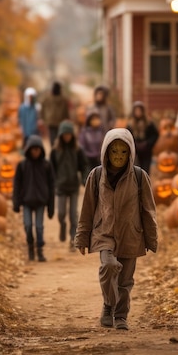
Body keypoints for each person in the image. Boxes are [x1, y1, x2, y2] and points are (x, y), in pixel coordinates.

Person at [74, 128, 158, 331]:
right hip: (105, 232)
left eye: (123, 152)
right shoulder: (96, 176)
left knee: (125, 281)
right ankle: (108, 304)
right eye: (114, 151)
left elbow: (148, 210)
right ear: (105, 153)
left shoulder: (139, 176)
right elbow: (87, 209)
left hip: (131, 234)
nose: (118, 156)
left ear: (130, 154)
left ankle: (120, 316)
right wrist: (81, 237)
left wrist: (151, 238)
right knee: (109, 266)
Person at [13, 135, 55, 262]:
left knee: (39, 226)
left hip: (41, 201)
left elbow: (52, 186)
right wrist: (16, 202)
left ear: (41, 150)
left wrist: (51, 206)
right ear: (29, 150)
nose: (35, 152)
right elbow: (17, 184)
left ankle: (40, 250)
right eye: (33, 149)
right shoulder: (22, 165)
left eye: (38, 149)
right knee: (27, 225)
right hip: (26, 200)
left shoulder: (46, 165)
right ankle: (30, 245)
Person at [49, 120, 87, 251]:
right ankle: (62, 225)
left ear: (72, 135)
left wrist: (84, 179)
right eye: (64, 135)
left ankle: (72, 239)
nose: (66, 137)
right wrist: (52, 182)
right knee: (61, 213)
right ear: (60, 135)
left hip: (73, 186)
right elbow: (51, 168)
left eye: (68, 134)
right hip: (60, 186)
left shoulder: (77, 150)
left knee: (73, 214)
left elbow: (84, 166)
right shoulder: (55, 151)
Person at [126, 101, 159, 173]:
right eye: (136, 111)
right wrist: (134, 144)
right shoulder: (130, 124)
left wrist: (147, 143)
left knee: (145, 170)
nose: (138, 112)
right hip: (135, 151)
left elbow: (155, 135)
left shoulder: (149, 123)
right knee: (136, 170)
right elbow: (127, 136)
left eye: (139, 110)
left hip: (146, 150)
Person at [41, 81, 71, 148]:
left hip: (50, 120)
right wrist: (67, 118)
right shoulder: (63, 99)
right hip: (61, 121)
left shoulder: (47, 98)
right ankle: (58, 148)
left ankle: (53, 149)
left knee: (52, 136)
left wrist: (43, 118)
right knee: (60, 136)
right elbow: (66, 110)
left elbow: (42, 108)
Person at [78, 111, 105, 181]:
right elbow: (82, 147)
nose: (96, 121)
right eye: (93, 119)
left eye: (97, 119)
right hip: (88, 161)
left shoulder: (102, 131)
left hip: (100, 160)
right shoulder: (84, 132)